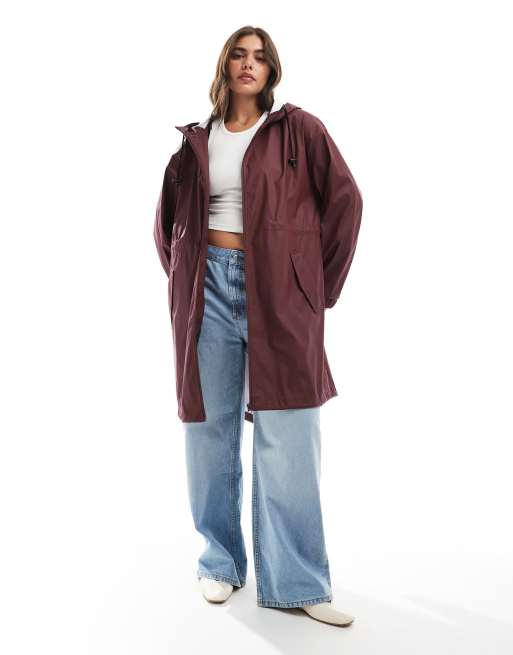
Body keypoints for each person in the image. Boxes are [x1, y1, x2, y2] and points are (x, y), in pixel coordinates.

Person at [153, 26, 363, 627]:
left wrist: (314, 288)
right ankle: (219, 562)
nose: (250, 64)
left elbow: (346, 204)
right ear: (226, 65)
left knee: (289, 435)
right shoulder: (197, 141)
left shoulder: (299, 130)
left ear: (272, 70)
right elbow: (167, 225)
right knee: (208, 430)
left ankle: (299, 580)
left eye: (261, 57)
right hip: (208, 291)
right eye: (240, 55)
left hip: (282, 295)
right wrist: (186, 281)